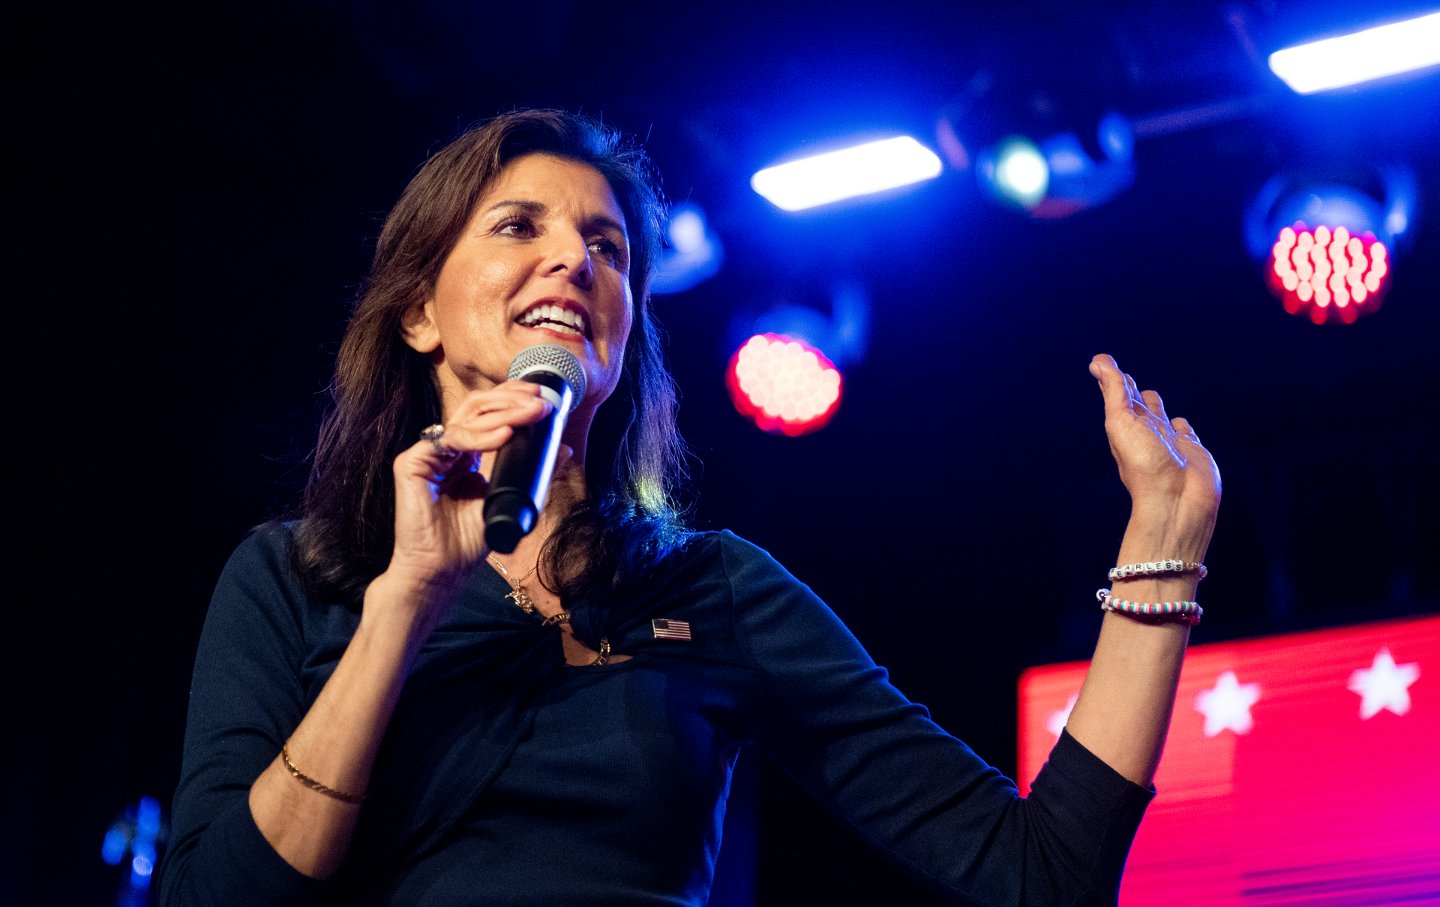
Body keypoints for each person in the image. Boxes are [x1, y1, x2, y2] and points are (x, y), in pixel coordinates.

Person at [156, 107, 1221, 906]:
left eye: (607, 247)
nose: (573, 258)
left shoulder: (713, 588)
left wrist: (1159, 560)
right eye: (518, 225)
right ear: (422, 314)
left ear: (627, 334)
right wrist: (404, 605)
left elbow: (1041, 875)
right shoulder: (297, 578)